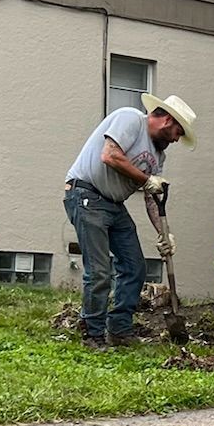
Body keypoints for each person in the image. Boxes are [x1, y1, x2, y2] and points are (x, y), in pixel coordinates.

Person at [63, 91, 197, 347]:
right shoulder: (130, 119)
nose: (178, 140)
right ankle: (92, 334)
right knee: (100, 271)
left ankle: (120, 330)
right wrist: (146, 180)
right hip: (86, 194)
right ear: (168, 120)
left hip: (114, 205)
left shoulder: (159, 155)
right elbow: (110, 155)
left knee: (135, 266)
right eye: (179, 132)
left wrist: (163, 233)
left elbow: (151, 196)